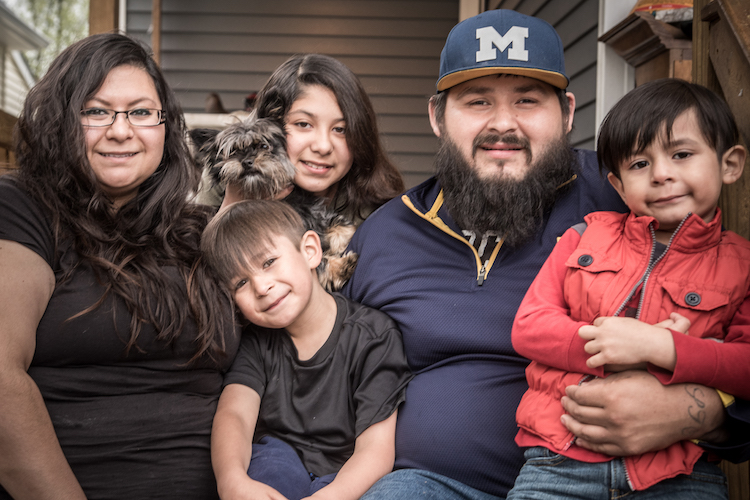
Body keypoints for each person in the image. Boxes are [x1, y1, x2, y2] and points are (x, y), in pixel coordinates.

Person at [343, 9, 749, 500]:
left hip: (626, 480)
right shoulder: (387, 233)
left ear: (568, 113)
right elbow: (329, 373)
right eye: (477, 102)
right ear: (436, 116)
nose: (503, 124)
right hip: (430, 486)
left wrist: (700, 412)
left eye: (527, 101)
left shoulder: (630, 196)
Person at [0, 33, 238, 499]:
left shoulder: (198, 230)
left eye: (141, 112)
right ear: (62, 122)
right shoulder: (24, 208)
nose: (121, 130)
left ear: (166, 125)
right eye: (96, 111)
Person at [509, 79, 749, 499]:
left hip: (680, 472)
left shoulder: (742, 265)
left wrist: (662, 348)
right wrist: (614, 347)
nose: (661, 174)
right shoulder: (584, 235)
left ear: (730, 164)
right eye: (639, 164)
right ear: (618, 185)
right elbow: (529, 326)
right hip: (558, 461)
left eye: (682, 154)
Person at [202, 200, 412, 500]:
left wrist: (332, 496)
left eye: (268, 262)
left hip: (346, 472)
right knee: (266, 474)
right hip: (277, 457)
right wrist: (231, 479)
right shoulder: (256, 341)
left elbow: (375, 449)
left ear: (310, 251)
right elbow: (234, 414)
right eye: (241, 283)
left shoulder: (374, 336)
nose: (261, 286)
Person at [220, 54, 404, 224]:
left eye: (340, 129)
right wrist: (231, 206)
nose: (323, 146)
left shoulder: (383, 212)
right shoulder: (226, 176)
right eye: (303, 124)